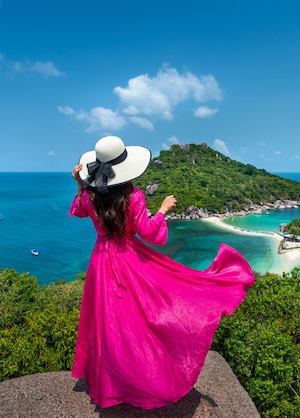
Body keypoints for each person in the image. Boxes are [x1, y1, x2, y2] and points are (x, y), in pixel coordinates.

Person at [69, 135, 255, 410]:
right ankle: (144, 377)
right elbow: (150, 233)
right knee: (142, 318)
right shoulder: (133, 196)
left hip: (100, 261)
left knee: (109, 322)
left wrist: (80, 182)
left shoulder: (90, 194)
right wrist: (163, 210)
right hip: (129, 259)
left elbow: (79, 209)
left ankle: (112, 382)